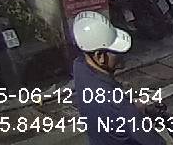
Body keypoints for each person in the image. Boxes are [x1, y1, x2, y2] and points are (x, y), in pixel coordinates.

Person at [70, 11, 166, 145]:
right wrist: (132, 112)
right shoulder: (120, 106)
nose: (122, 56)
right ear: (100, 57)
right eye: (116, 52)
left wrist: (134, 107)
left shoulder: (80, 67)